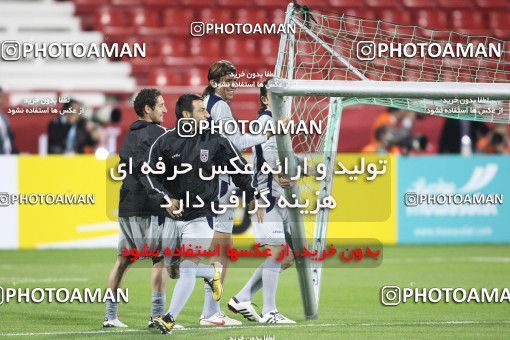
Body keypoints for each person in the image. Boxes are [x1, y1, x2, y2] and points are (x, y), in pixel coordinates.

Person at [144, 93, 258, 334]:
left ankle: (169, 318)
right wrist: (166, 199)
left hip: (202, 214)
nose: (207, 115)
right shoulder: (165, 142)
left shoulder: (215, 140)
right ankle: (210, 272)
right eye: (201, 111)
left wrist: (249, 193)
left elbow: (239, 168)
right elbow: (150, 176)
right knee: (173, 270)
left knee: (186, 268)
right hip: (172, 217)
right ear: (186, 115)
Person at [103, 88, 172, 328]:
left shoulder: (130, 135)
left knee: (123, 260)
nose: (165, 109)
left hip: (127, 205)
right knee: (160, 259)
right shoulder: (157, 134)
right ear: (147, 109)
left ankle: (110, 316)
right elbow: (153, 172)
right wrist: (164, 197)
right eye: (161, 105)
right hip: (148, 206)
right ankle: (156, 316)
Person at [228, 81, 296, 324]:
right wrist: (278, 171)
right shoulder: (266, 121)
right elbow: (267, 150)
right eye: (274, 96)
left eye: (283, 96)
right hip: (267, 192)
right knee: (278, 253)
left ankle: (242, 297)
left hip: (278, 193)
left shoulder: (277, 124)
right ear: (266, 100)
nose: (280, 100)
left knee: (287, 257)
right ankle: (269, 311)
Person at [0, 87, 17, 154]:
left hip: (7, 156)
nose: (2, 100)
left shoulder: (4, 117)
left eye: (3, 97)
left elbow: (9, 136)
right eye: (0, 97)